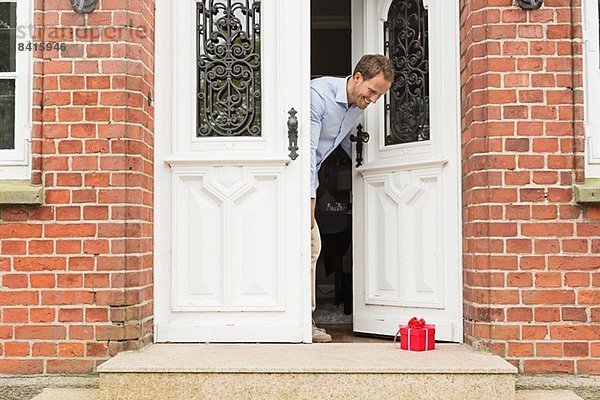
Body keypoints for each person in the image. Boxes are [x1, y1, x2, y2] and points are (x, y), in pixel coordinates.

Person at [310, 54, 394, 342]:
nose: (372, 100)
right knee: (309, 248)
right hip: (293, 176)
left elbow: (345, 142)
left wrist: (375, 172)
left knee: (309, 249)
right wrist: (309, 202)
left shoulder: (356, 107)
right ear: (357, 77)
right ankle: (302, 322)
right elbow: (307, 155)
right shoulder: (317, 96)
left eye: (378, 96)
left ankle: (303, 320)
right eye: (371, 92)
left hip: (313, 174)